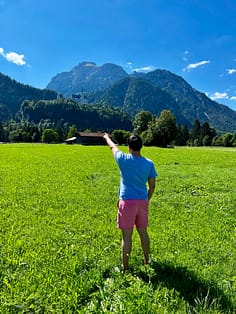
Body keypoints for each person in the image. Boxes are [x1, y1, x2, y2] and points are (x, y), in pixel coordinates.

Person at [103, 133, 157, 271]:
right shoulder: (149, 164)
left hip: (127, 202)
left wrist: (106, 137)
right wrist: (146, 199)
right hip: (142, 202)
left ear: (129, 147)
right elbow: (152, 186)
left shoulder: (123, 159)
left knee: (127, 237)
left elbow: (112, 147)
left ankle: (125, 268)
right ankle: (147, 262)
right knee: (143, 233)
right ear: (141, 146)